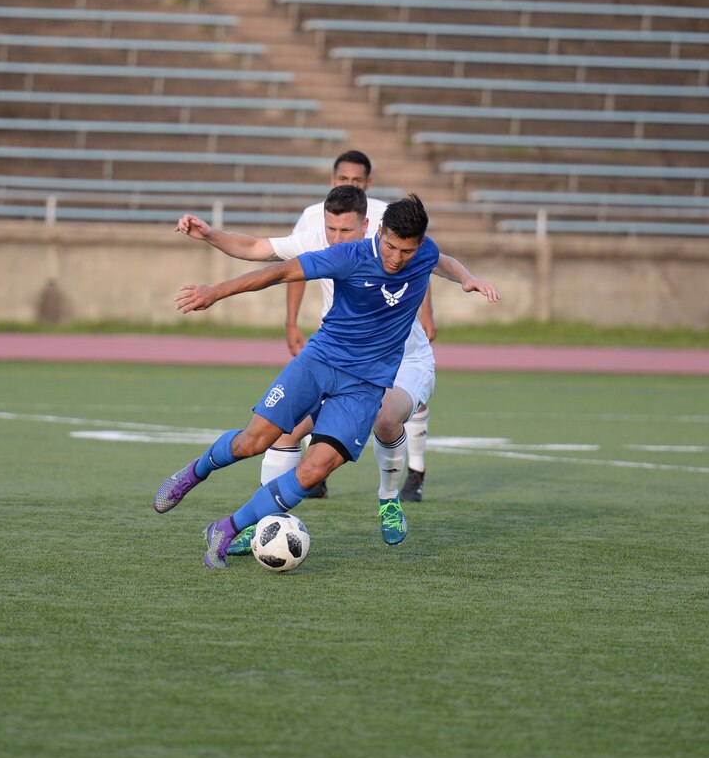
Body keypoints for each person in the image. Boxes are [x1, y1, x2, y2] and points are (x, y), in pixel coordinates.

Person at [153, 195, 499, 568]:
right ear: (378, 232)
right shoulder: (349, 256)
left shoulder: (424, 253)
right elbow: (280, 272)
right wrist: (215, 292)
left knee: (315, 470)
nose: (397, 258)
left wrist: (467, 278)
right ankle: (192, 473)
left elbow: (441, 260)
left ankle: (225, 528)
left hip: (365, 386)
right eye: (391, 246)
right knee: (253, 442)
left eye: (407, 251)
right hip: (320, 362)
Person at [284, 150, 436, 504]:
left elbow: (421, 263)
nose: (337, 235)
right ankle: (277, 506)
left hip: (393, 346)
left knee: (389, 416)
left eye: (356, 180)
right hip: (337, 345)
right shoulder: (312, 218)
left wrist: (428, 313)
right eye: (343, 179)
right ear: (332, 181)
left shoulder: (387, 216)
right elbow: (291, 266)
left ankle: (410, 476)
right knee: (288, 426)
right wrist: (291, 322)